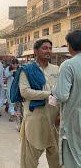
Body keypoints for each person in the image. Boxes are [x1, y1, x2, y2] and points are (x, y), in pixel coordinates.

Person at [19, 39, 60, 168]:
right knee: (30, 159)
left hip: (54, 119)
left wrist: (59, 113)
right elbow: (25, 92)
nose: (48, 51)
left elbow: (60, 92)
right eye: (44, 48)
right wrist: (49, 94)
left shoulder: (56, 69)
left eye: (50, 48)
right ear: (36, 51)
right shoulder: (27, 70)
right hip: (35, 118)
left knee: (57, 158)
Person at [53, 30, 81, 168]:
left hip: (74, 120)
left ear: (70, 46)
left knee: (73, 158)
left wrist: (53, 90)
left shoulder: (68, 65)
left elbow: (61, 95)